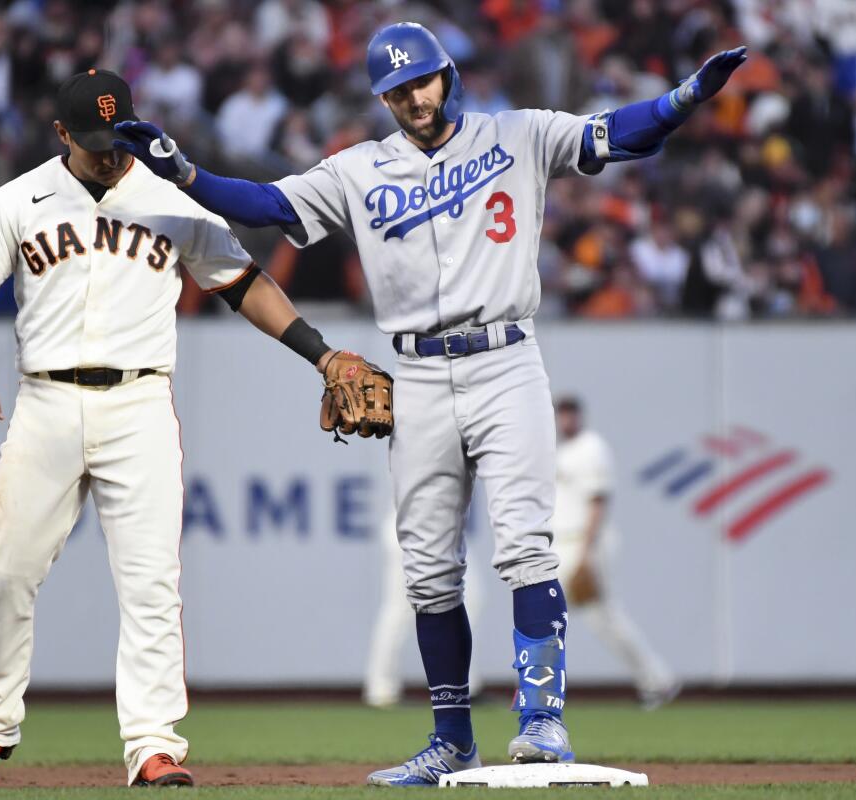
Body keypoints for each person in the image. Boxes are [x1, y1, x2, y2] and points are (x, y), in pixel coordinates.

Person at [114, 23, 745, 785]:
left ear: (447, 75)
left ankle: (542, 721)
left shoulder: (518, 133)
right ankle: (452, 739)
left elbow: (617, 133)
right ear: (382, 97)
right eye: (397, 89)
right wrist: (181, 170)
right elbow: (266, 205)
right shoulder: (356, 168)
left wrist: (683, 100)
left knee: (523, 547)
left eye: (423, 80)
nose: (414, 96)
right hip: (414, 375)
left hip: (507, 359)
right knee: (427, 572)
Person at [0, 69, 355, 789]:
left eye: (120, 136)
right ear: (61, 133)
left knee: (152, 584)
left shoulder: (170, 197)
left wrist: (320, 353)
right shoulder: (21, 198)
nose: (110, 152)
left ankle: (154, 745)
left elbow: (244, 284)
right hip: (45, 402)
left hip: (139, 404)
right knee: (7, 575)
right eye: (95, 141)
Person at [552, 396, 679, 710]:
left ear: (580, 416)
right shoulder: (562, 451)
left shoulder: (590, 447)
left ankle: (657, 679)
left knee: (603, 618)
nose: (565, 420)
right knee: (552, 615)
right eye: (560, 414)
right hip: (562, 544)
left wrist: (586, 553)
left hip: (584, 543)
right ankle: (656, 679)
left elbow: (598, 502)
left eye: (570, 413)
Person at [362, 507, 484, 709]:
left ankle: (465, 686)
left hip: (445, 526)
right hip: (413, 524)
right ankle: (380, 687)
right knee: (400, 609)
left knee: (471, 598)